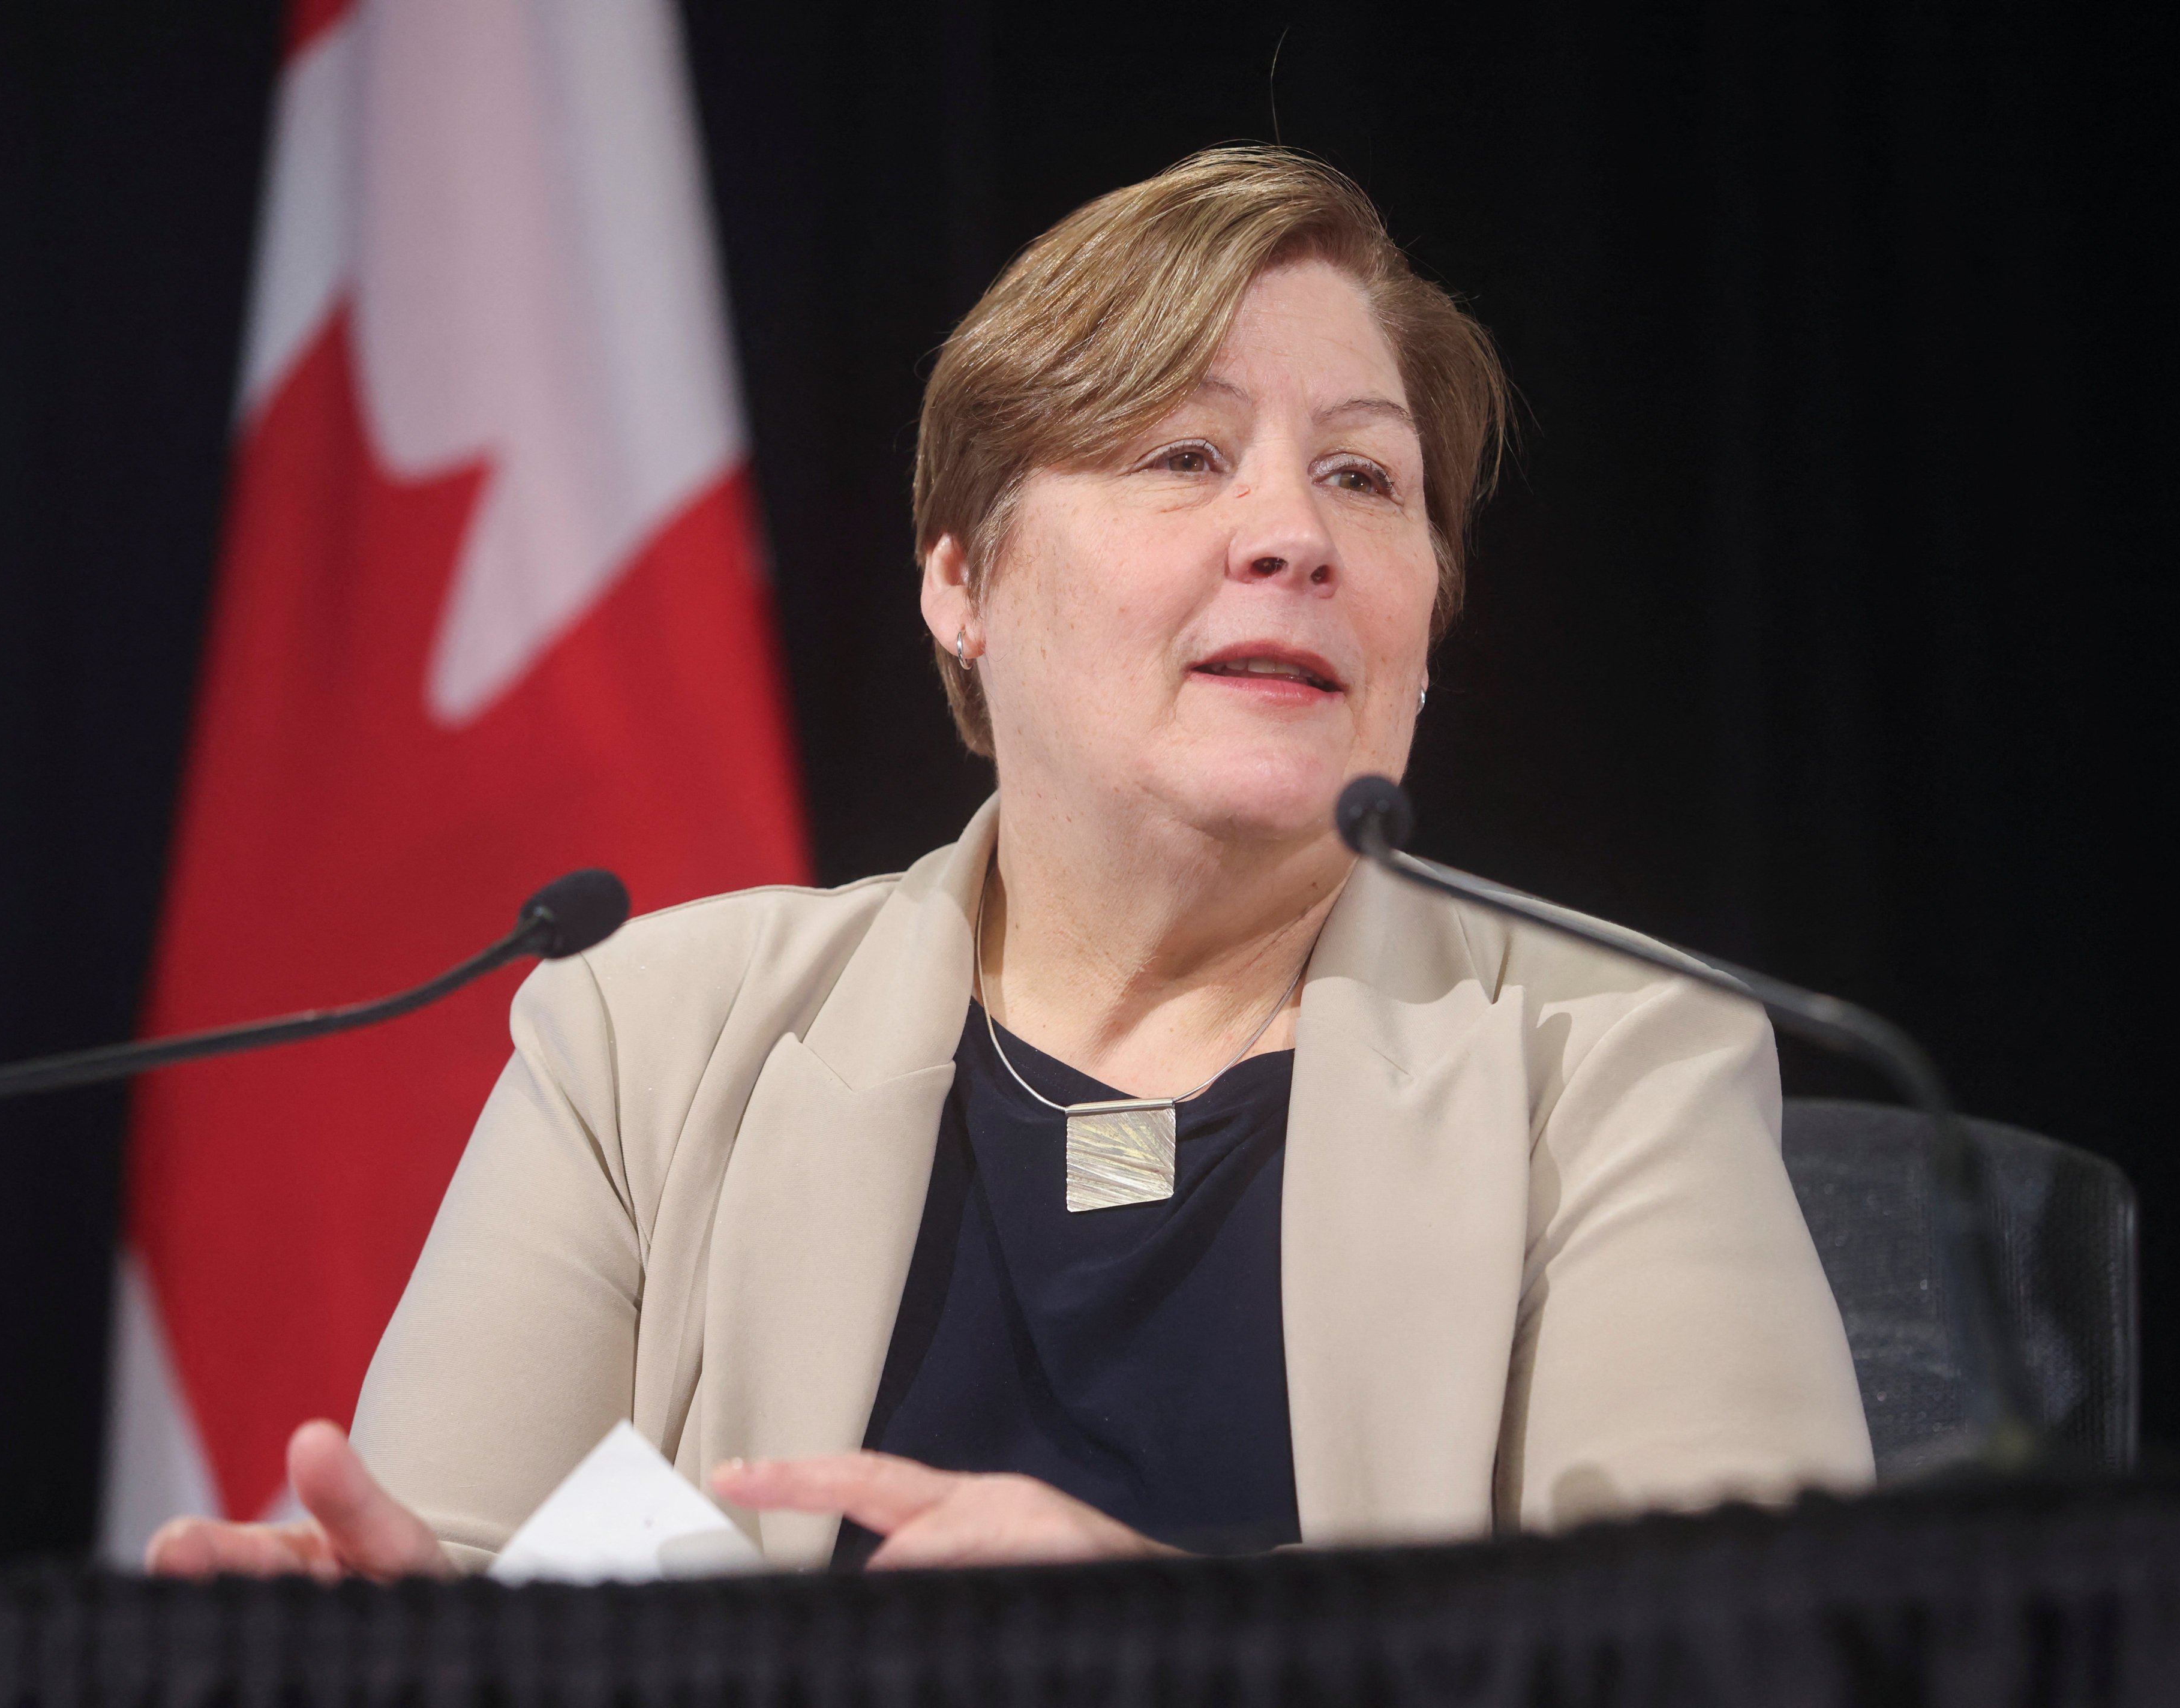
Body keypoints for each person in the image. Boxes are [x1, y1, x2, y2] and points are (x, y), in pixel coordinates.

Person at [146, 146, 1871, 1583]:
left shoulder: (1616, 1062)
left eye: (1366, 475)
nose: (1296, 534)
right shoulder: (644, 1048)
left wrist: (1160, 1658)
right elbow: (451, 1571)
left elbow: (1745, 1663)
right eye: (1184, 454)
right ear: (960, 581)